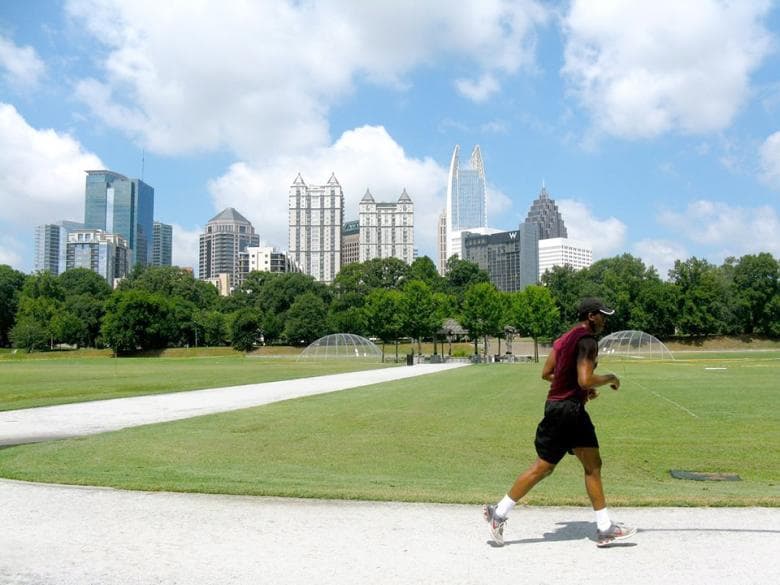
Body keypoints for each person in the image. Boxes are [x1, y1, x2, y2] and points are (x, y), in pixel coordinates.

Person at [483, 297, 637, 547]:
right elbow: (585, 379)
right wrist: (611, 378)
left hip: (556, 407)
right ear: (590, 316)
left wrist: (577, 389)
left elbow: (548, 374)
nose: (605, 320)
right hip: (569, 412)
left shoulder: (565, 339)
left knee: (545, 467)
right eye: (602, 315)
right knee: (592, 467)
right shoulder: (587, 341)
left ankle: (498, 512)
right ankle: (605, 528)